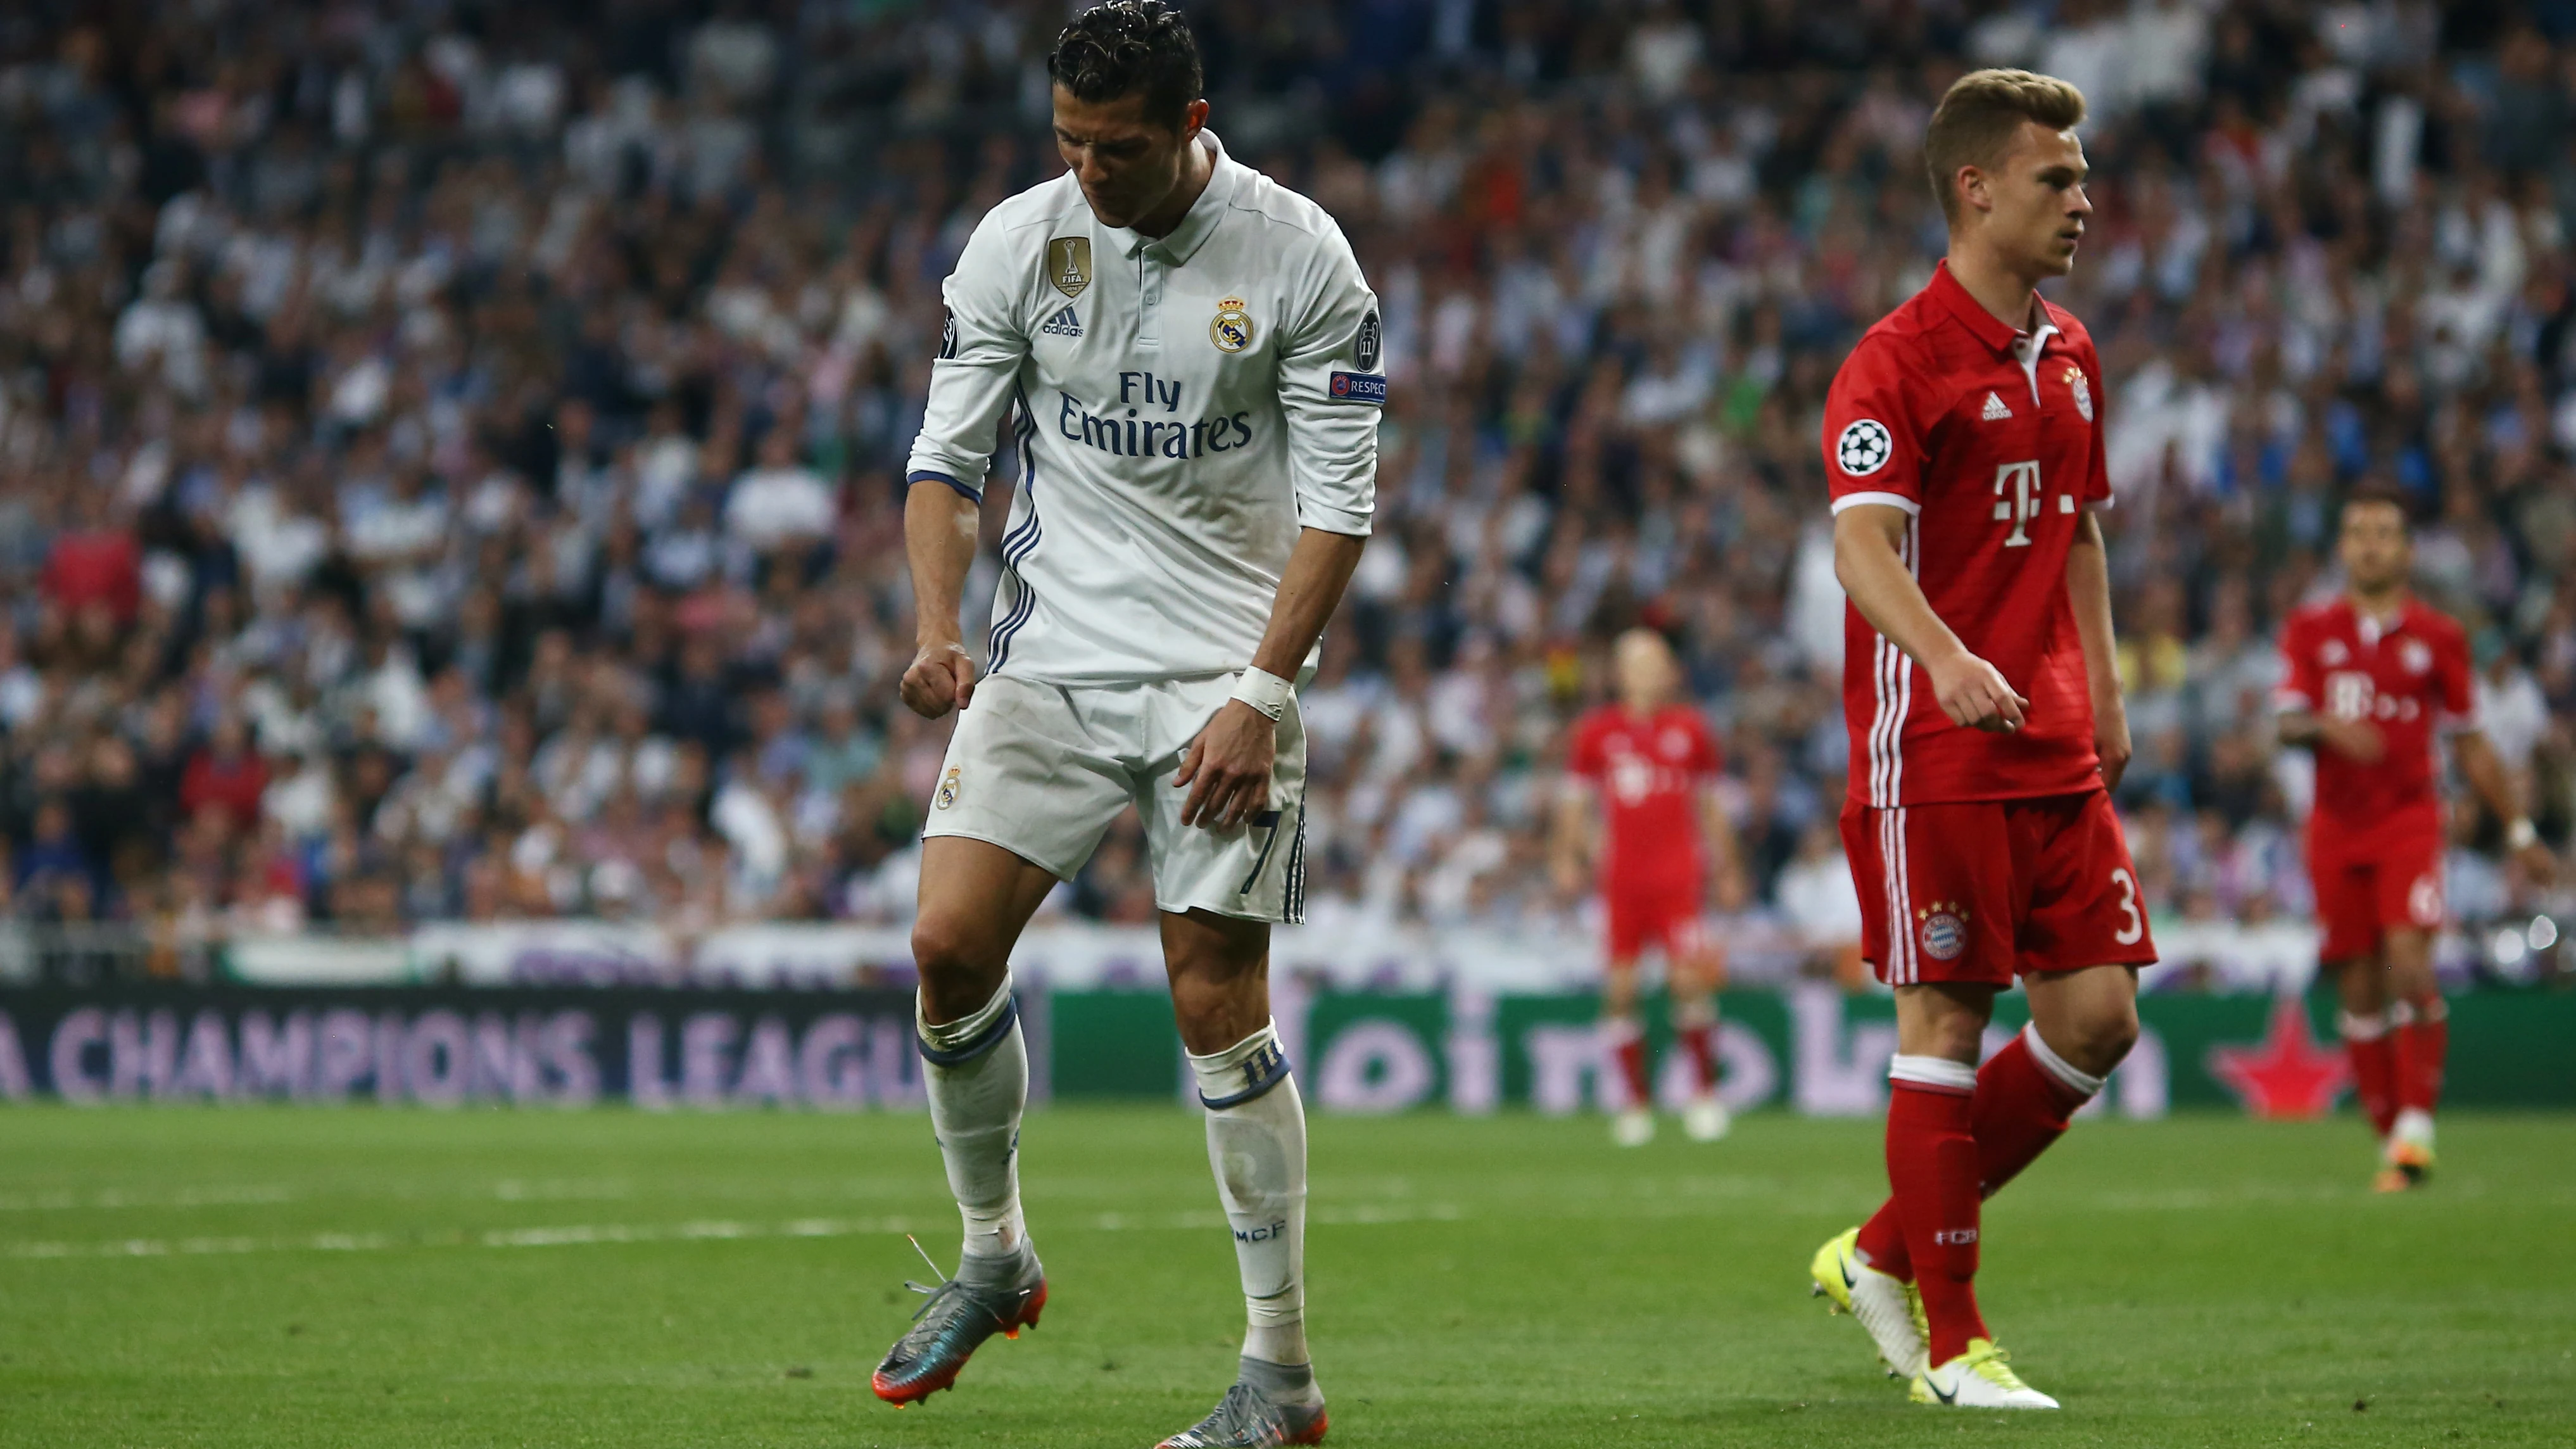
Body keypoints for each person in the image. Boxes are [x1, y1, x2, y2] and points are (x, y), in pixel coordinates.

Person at [876, 4, 1380, 1446]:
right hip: (1055, 661)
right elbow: (946, 457)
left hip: (1227, 675)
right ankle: (994, 1254)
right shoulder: (1018, 241)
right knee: (945, 947)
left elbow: (1341, 503)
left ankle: (1278, 1376)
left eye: (1119, 147)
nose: (1089, 171)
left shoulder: (1299, 255)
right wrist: (935, 627)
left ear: (1191, 122)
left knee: (1215, 1000)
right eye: (1069, 143)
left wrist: (1263, 692)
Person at [1804, 70, 2153, 1411]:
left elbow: (2079, 526)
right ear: (1976, 186)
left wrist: (2106, 691)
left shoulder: (2070, 352)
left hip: (2054, 742)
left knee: (2099, 1021)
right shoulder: (1894, 359)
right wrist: (1943, 656)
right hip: (1934, 750)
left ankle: (1879, 1249)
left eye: (2082, 174)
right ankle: (1954, 1345)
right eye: (2056, 177)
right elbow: (1858, 545)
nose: (2082, 198)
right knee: (1945, 1018)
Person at [2275, 488, 2554, 1192]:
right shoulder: (2311, 629)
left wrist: (2519, 828)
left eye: (2384, 532)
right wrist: (2324, 726)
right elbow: (2283, 723)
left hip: (2409, 819)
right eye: (2357, 531)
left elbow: (2471, 742)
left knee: (2409, 961)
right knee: (2360, 985)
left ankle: (2417, 1127)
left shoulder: (2440, 636)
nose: (2370, 543)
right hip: (2336, 827)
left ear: (2405, 551)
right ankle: (2392, 1136)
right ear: (2343, 548)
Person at [1551, 628, 1748, 1145]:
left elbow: (1710, 804)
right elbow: (1575, 804)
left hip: (1678, 877)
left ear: (1669, 672)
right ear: (1620, 673)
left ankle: (1704, 1094)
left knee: (1688, 982)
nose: (1649, 673)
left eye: (1657, 663)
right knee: (1620, 991)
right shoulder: (1596, 734)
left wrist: (1728, 867)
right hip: (1621, 879)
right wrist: (1568, 857)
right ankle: (1635, 1103)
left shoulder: (1691, 729)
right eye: (1638, 664)